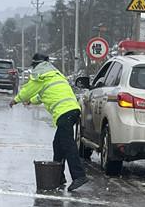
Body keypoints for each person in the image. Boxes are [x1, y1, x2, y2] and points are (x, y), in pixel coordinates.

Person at [9, 53, 88, 192]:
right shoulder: (53, 74)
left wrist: (16, 100)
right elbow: (42, 94)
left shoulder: (39, 75)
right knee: (58, 144)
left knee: (68, 145)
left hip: (64, 113)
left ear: (35, 65)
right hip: (73, 110)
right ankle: (59, 177)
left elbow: (28, 90)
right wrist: (31, 101)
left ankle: (79, 176)